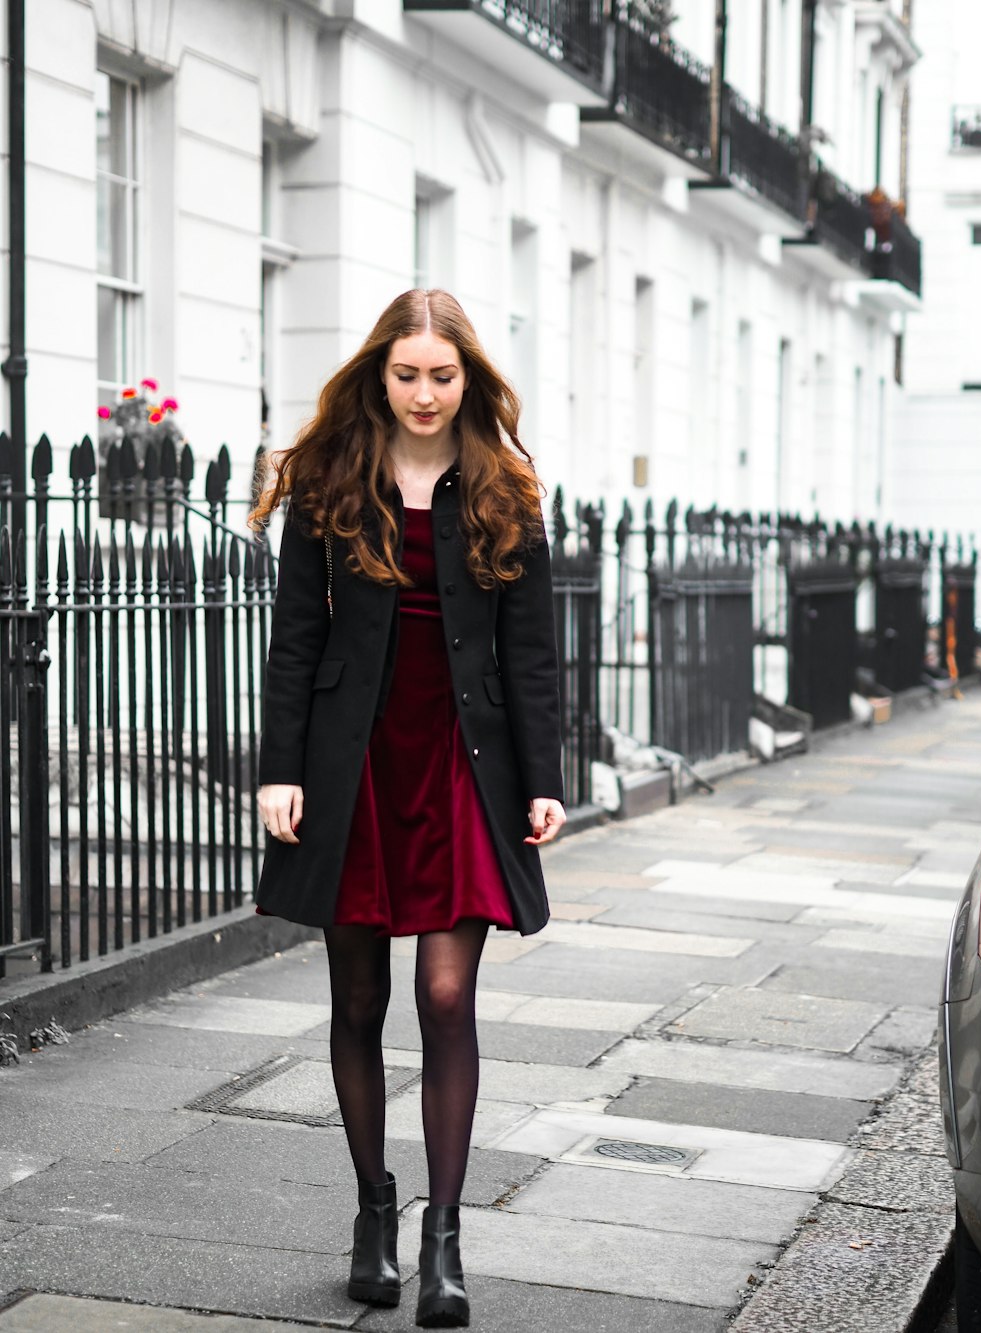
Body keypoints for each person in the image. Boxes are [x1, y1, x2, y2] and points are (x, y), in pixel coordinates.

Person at [250, 288, 566, 1329]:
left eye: (443, 374)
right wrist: (279, 767)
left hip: (461, 762)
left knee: (442, 993)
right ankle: (370, 1216)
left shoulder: (506, 488)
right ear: (378, 373)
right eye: (407, 374)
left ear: (465, 377)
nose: (425, 393)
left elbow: (530, 654)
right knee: (354, 1000)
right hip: (355, 764)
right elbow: (296, 635)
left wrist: (543, 777)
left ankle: (443, 1240)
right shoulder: (332, 477)